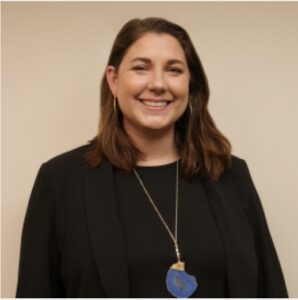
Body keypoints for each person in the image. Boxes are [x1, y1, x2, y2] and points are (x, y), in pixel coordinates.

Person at [16, 17, 288, 298]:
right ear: (114, 79)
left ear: (189, 83)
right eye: (140, 68)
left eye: (173, 70)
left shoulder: (231, 174)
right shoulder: (61, 180)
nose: (158, 84)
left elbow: (270, 289)